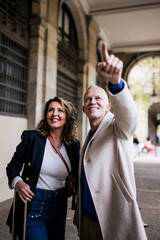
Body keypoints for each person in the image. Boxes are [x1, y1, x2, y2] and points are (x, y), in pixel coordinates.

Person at [74, 43, 147, 240]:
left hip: (112, 217)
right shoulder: (88, 135)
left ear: (108, 106)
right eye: (88, 99)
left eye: (98, 98)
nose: (92, 101)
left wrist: (116, 83)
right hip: (87, 218)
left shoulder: (118, 127)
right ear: (83, 109)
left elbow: (129, 115)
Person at [6, 97, 80, 240]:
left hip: (60, 206)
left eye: (60, 110)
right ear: (46, 115)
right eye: (50, 110)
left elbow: (78, 174)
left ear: (67, 117)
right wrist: (18, 182)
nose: (54, 114)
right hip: (34, 205)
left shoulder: (73, 145)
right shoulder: (32, 138)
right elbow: (12, 167)